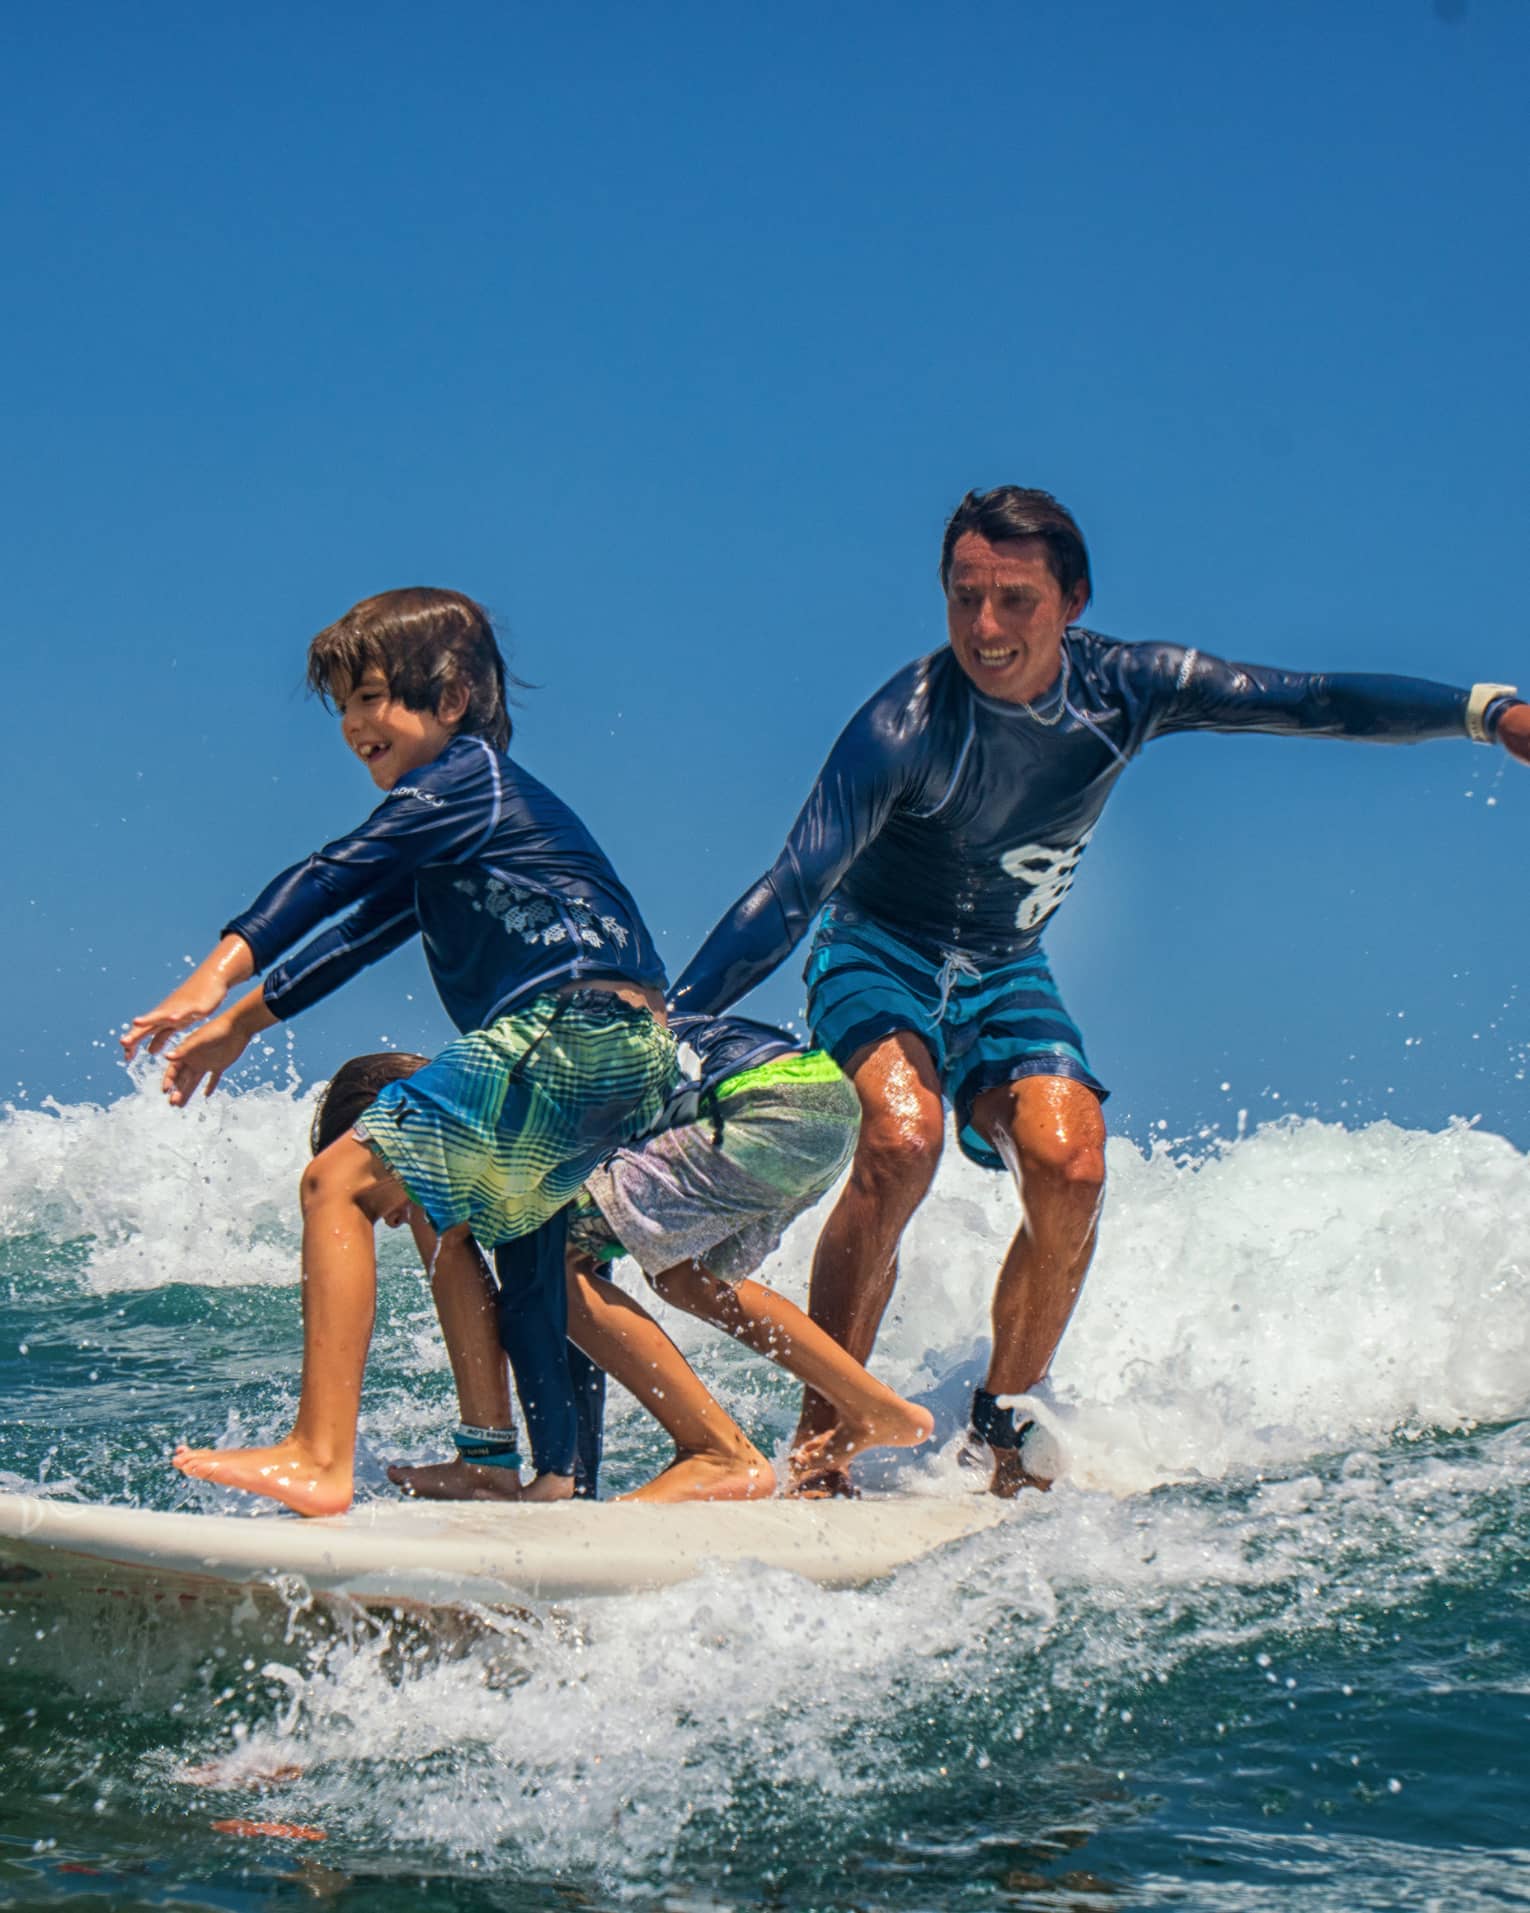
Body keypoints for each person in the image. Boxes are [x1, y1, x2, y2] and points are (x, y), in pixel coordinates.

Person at [668, 485, 1530, 1498]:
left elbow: (1311, 699)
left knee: (1072, 1165)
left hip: (1005, 965)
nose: (984, 628)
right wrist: (675, 1020)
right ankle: (823, 1448)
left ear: (1073, 599)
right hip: (876, 952)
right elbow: (792, 888)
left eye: (1015, 600)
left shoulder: (1130, 686)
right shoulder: (902, 727)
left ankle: (1004, 1432)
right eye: (964, 597)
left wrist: (1487, 713)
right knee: (902, 1141)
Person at [120, 587, 677, 1516]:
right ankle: (554, 1479)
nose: (352, 724)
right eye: (342, 704)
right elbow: (358, 930)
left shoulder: (466, 779)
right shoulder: (458, 823)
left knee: (333, 1183)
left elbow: (335, 872)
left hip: (568, 1025)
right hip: (622, 1046)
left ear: (452, 697)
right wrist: (242, 1024)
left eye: (371, 695)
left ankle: (317, 1453)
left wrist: (213, 977)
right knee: (542, 1271)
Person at [324, 1015, 933, 1502]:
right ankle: (875, 1406)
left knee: (558, 1264)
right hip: (815, 1101)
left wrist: (501, 1461)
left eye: (372, 1193)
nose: (391, 1219)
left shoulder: (461, 1116)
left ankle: (718, 1453)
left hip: (747, 1101)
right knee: (689, 1279)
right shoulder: (515, 1075)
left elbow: (529, 1289)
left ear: (388, 1123)